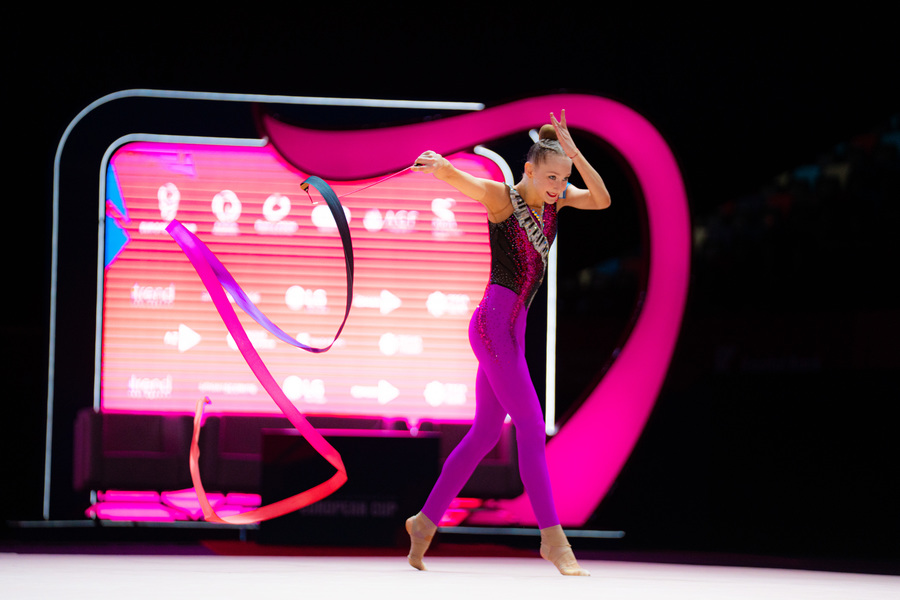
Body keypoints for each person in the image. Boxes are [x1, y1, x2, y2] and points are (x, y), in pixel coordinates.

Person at [405, 110, 611, 576]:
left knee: (483, 434)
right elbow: (466, 183)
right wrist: (442, 167)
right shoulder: (505, 199)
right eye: (551, 177)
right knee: (532, 428)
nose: (559, 186)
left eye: (564, 179)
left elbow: (602, 199)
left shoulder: (555, 203)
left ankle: (424, 522)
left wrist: (575, 155)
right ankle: (553, 541)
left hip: (512, 331)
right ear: (529, 170)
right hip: (492, 326)